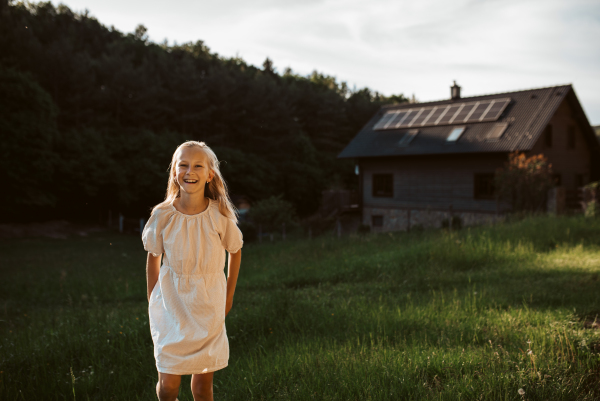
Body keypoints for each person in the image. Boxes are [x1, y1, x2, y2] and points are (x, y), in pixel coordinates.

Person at [142, 141, 243, 401]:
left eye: (198, 165)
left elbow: (235, 250)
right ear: (174, 172)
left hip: (207, 308)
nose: (190, 171)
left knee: (201, 388)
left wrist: (228, 297)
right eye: (183, 165)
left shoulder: (219, 215)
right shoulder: (162, 215)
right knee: (168, 386)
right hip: (171, 307)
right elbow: (153, 257)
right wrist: (152, 296)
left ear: (210, 174)